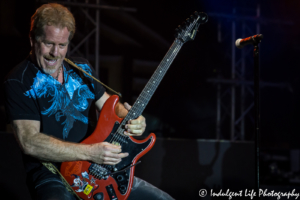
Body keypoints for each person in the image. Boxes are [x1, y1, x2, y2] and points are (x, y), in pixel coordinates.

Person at [3, 3, 174, 200]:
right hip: (52, 175)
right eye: (48, 43)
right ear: (32, 39)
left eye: (62, 45)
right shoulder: (18, 80)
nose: (55, 53)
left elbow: (111, 107)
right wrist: (91, 152)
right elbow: (29, 142)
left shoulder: (81, 67)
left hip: (101, 169)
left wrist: (132, 119)